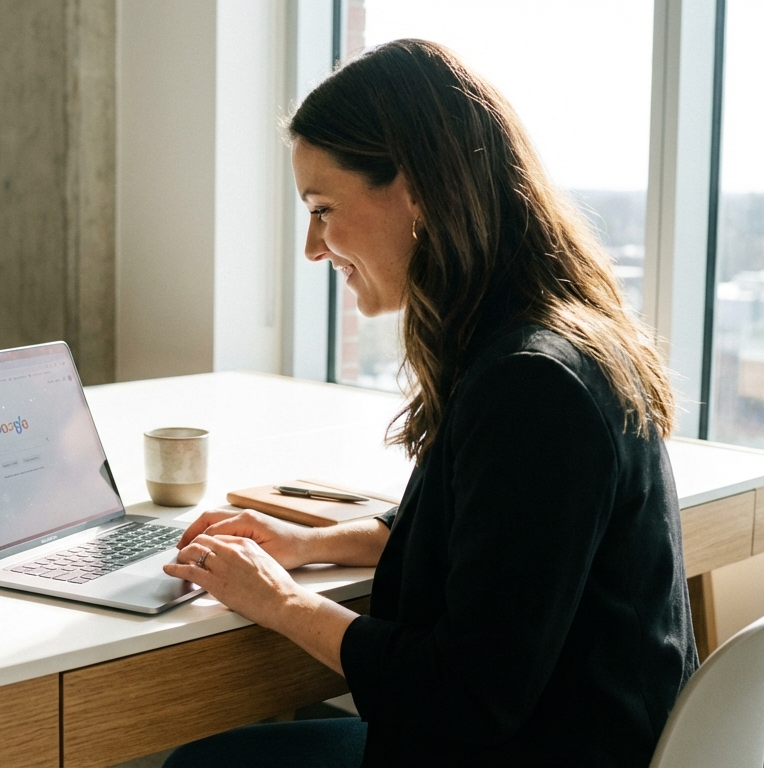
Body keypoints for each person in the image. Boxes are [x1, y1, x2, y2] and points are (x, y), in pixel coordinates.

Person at [161, 39, 698, 767]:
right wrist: (311, 545)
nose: (313, 248)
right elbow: (499, 549)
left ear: (415, 190)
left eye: (323, 208)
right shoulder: (553, 340)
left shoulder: (530, 387)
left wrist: (282, 603)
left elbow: (467, 694)